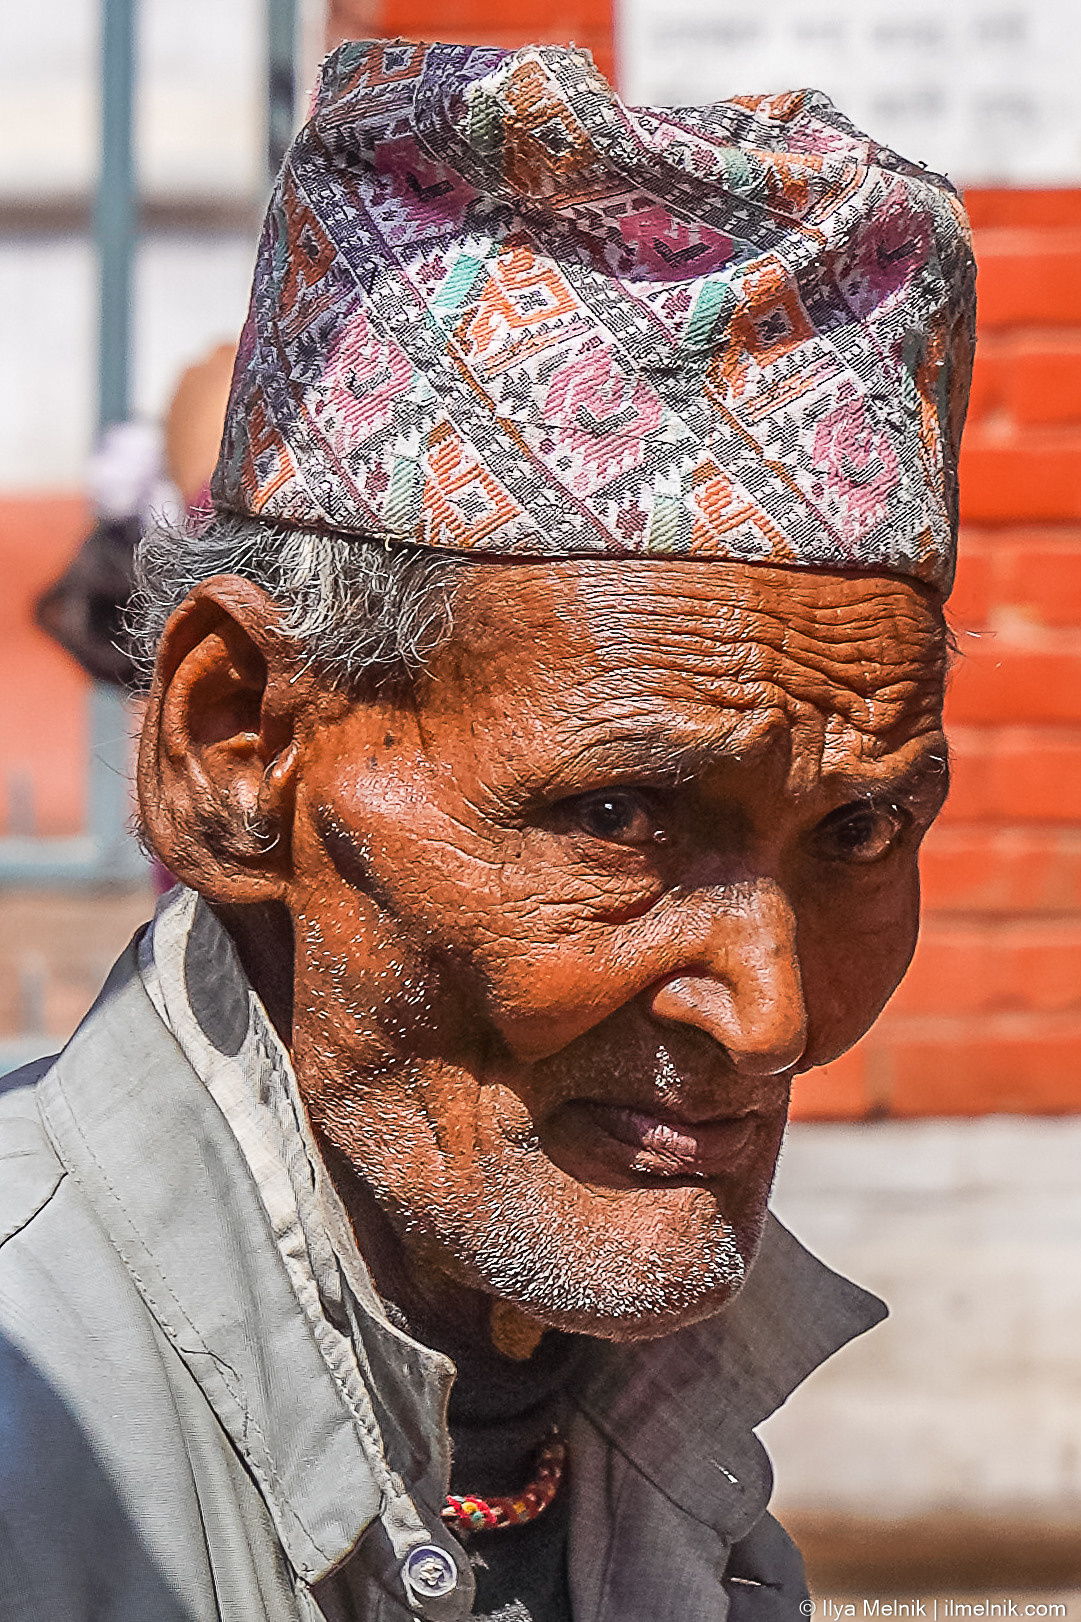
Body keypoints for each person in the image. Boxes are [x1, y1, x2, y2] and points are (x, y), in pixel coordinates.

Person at [0, 39, 975, 1622]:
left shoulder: (636, 1414)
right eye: (618, 815)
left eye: (860, 829)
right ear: (236, 748)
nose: (774, 1014)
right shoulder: (36, 1434)